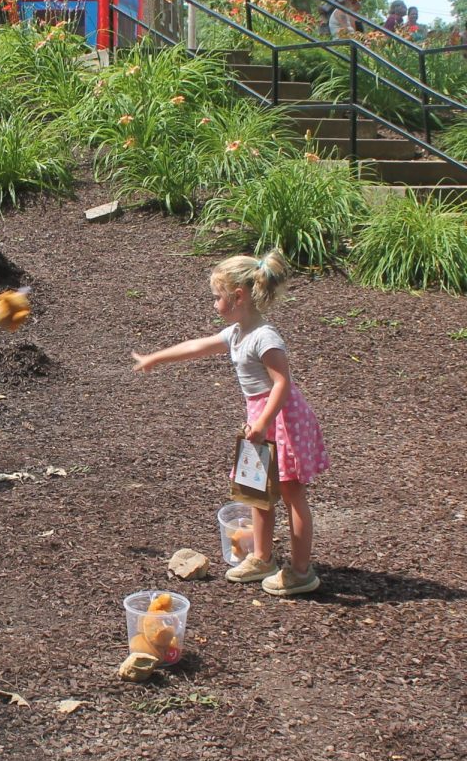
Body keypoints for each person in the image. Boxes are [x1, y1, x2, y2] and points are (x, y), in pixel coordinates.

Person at [131, 251, 328, 597]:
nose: (214, 303)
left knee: (294, 494)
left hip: (281, 420)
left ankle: (300, 571)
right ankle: (262, 558)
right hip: (259, 420)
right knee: (257, 492)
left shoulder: (264, 337)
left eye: (217, 297)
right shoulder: (236, 333)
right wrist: (155, 357)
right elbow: (197, 346)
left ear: (238, 297)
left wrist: (265, 422)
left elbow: (282, 383)